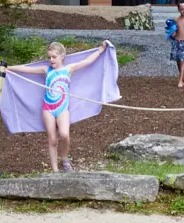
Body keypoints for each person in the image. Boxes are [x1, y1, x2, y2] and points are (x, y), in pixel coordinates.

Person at [7, 40, 112, 172]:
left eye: (54, 57)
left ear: (62, 56)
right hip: (48, 109)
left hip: (62, 108)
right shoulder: (46, 69)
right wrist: (8, 68)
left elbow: (87, 61)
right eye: (49, 57)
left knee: (64, 134)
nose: (51, 60)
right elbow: (25, 69)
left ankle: (64, 159)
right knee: (52, 139)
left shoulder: (68, 69)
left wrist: (101, 50)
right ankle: (55, 170)